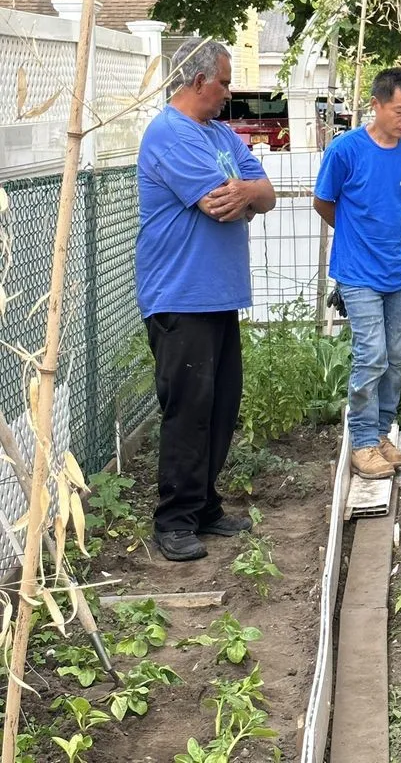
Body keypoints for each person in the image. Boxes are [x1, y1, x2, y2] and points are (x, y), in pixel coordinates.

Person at [136, 38, 276, 561]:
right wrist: (245, 195)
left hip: (216, 295)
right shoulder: (170, 136)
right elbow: (222, 205)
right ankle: (173, 519)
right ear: (198, 82)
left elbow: (266, 193)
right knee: (189, 410)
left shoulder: (217, 133)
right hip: (180, 297)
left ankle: (205, 507)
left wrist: (248, 193)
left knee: (220, 406)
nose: (228, 91)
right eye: (223, 81)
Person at [313, 68, 401, 480]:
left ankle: (382, 433)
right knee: (372, 354)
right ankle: (362, 441)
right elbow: (323, 202)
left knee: (396, 356)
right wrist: (357, 234)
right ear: (376, 104)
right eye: (399, 110)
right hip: (357, 271)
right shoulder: (345, 151)